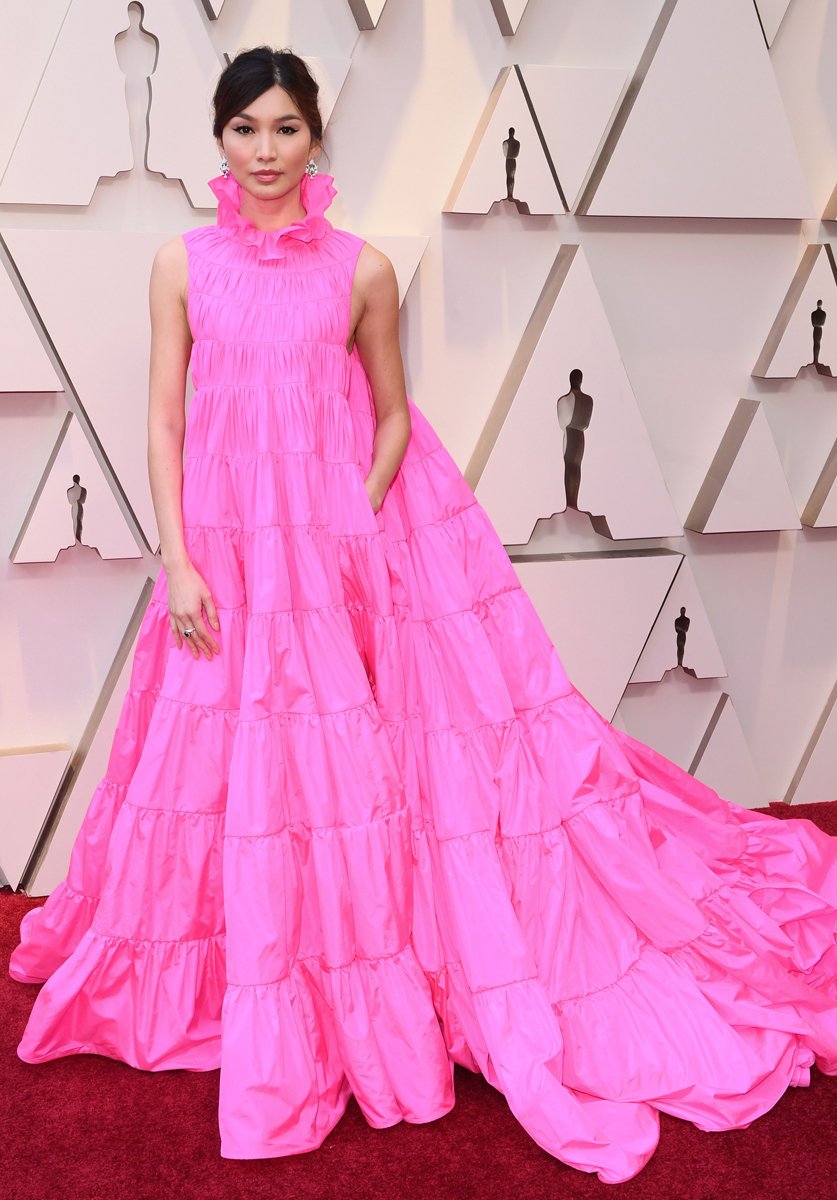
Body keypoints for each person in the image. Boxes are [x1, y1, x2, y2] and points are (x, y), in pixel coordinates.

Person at [9, 46, 837, 1186]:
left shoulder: (362, 269)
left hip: (339, 558)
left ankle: (358, 973)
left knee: (360, 774)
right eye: (245, 129)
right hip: (226, 556)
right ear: (218, 139)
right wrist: (180, 559)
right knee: (219, 765)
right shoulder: (179, 265)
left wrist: (350, 522)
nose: (264, 151)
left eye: (286, 129)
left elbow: (393, 417)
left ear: (315, 139)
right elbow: (161, 421)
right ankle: (244, 966)